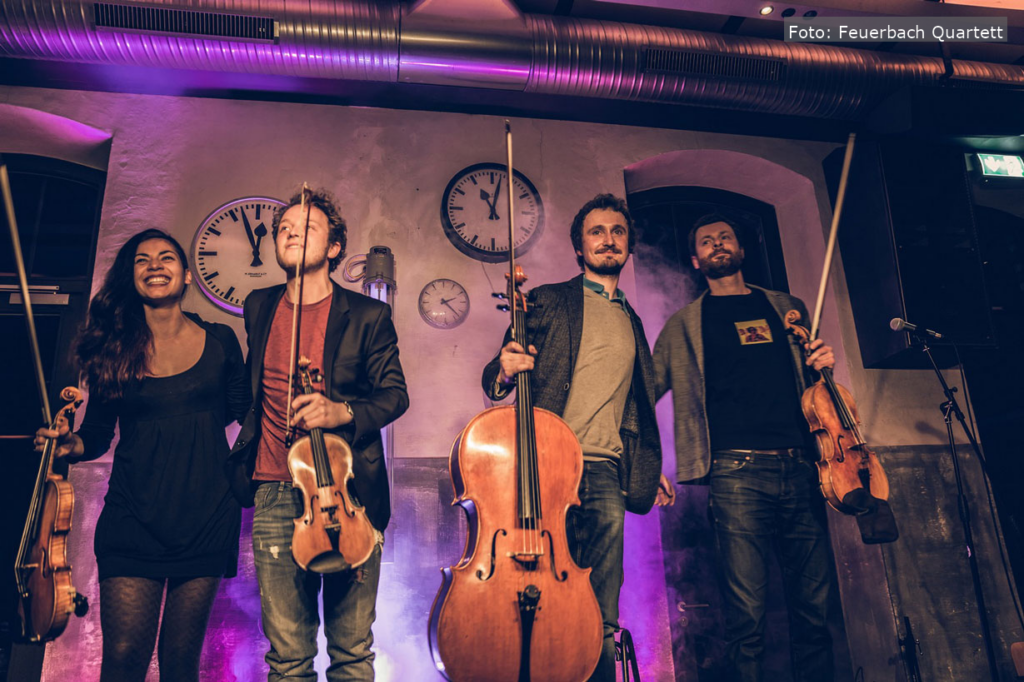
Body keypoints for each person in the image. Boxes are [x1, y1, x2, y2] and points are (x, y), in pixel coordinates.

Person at [34, 229, 250, 682]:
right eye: (142, 260)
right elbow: (94, 435)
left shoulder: (221, 341)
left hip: (207, 516)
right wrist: (70, 444)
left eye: (166, 257)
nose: (155, 264)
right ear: (131, 278)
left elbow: (244, 413)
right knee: (124, 659)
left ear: (186, 275)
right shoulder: (115, 349)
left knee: (180, 663)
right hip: (132, 518)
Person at [482, 193, 673, 682]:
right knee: (539, 592)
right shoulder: (548, 299)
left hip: (608, 470)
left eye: (617, 232)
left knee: (601, 604)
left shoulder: (631, 318)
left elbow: (633, 406)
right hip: (548, 465)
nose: (608, 239)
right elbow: (498, 370)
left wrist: (647, 467)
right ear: (579, 247)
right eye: (597, 231)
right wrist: (505, 370)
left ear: (628, 245)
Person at [227, 187, 408, 681]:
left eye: (306, 227)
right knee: (287, 659)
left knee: (351, 653)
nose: (290, 232)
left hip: (348, 496)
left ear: (333, 248)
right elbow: (250, 388)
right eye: (284, 227)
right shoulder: (259, 305)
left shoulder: (368, 315)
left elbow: (395, 396)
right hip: (273, 492)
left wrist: (340, 410)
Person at [653, 213, 836, 682]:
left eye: (725, 237)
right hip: (735, 475)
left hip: (802, 468)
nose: (717, 244)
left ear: (740, 250)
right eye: (706, 241)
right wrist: (647, 460)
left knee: (814, 611)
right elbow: (644, 393)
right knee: (747, 617)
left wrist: (824, 364)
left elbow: (814, 382)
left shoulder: (786, 307)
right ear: (696, 260)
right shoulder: (684, 326)